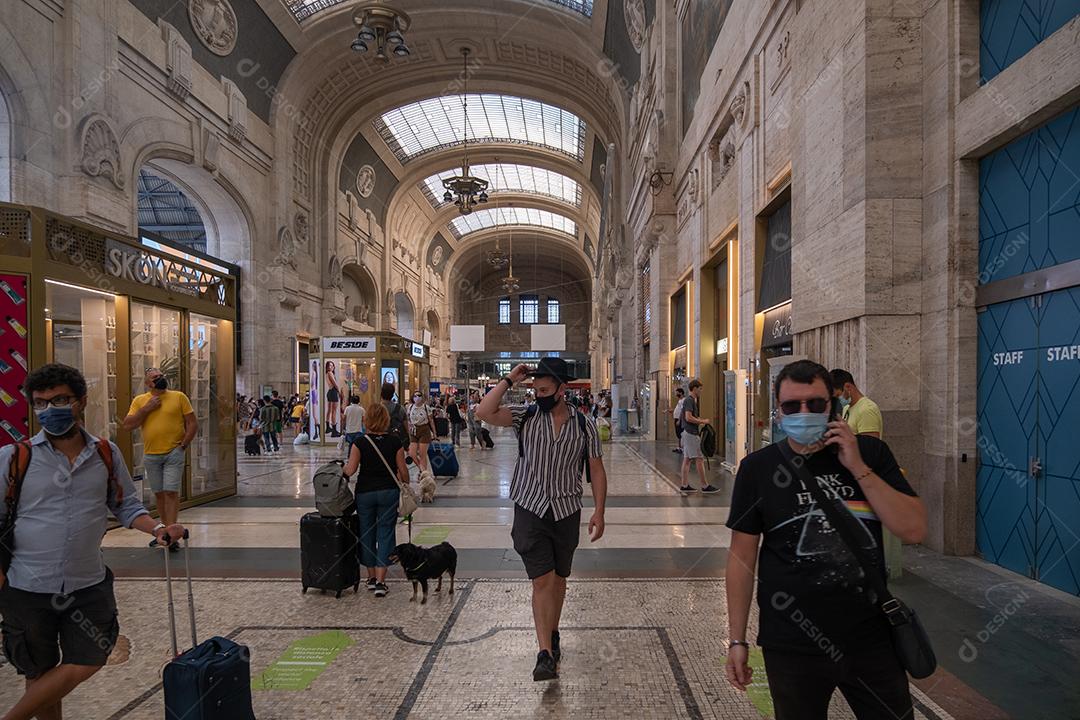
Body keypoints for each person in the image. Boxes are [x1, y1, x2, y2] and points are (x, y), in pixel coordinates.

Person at [724, 360, 927, 720]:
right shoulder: (758, 469)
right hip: (791, 643)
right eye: (792, 406)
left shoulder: (871, 455)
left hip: (870, 638)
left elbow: (913, 529)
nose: (804, 413)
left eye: (815, 404)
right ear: (778, 410)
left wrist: (858, 468)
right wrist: (737, 640)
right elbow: (741, 559)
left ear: (832, 404)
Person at [1, 364, 185, 720]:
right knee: (38, 671)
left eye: (60, 400)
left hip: (87, 582)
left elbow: (125, 504)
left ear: (81, 401)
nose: (49, 410)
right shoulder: (15, 459)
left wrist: (157, 528)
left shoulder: (104, 453)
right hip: (27, 585)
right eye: (40, 403)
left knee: (92, 656)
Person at [477, 358, 608, 682]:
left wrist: (600, 511)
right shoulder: (526, 416)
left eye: (545, 390)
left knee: (560, 579)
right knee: (542, 580)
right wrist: (509, 379)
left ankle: (552, 631)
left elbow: (595, 468)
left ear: (562, 390)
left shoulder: (584, 425)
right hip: (530, 508)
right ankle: (544, 653)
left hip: (565, 511)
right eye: (536, 389)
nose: (539, 395)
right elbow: (483, 412)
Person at [122, 367, 198, 551]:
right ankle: (163, 532)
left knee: (171, 491)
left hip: (174, 451)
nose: (160, 379)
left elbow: (192, 422)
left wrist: (184, 444)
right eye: (155, 377)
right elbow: (127, 425)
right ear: (148, 384)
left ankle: (171, 534)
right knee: (159, 494)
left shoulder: (179, 397)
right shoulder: (140, 401)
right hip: (151, 454)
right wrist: (146, 409)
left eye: (161, 376)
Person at [342, 402, 406, 598]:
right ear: (386, 420)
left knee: (366, 533)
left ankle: (369, 578)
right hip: (389, 492)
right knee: (386, 534)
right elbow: (403, 473)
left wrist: (339, 469)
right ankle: (380, 581)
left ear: (367, 420)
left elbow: (350, 470)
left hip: (365, 493)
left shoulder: (360, 443)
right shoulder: (395, 442)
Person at [679, 379, 719, 494]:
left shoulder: (690, 400)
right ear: (695, 388)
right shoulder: (690, 400)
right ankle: (704, 485)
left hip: (687, 433)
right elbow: (688, 417)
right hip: (691, 433)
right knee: (699, 459)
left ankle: (684, 484)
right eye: (700, 389)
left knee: (687, 459)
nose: (701, 391)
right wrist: (702, 421)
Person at [830, 369, 883, 438]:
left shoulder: (866, 409)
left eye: (838, 395)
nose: (837, 400)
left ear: (848, 387)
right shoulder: (846, 408)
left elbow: (870, 445)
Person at [408, 390, 436, 473]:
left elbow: (431, 421)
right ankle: (422, 470)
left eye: (419, 395)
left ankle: (423, 473)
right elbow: (408, 419)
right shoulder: (410, 407)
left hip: (424, 430)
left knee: (422, 454)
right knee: (412, 453)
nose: (417, 397)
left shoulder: (426, 408)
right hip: (413, 431)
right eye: (415, 396)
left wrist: (434, 433)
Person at [325, 361, 341, 437]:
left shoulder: (327, 374)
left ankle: (328, 427)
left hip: (330, 392)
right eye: (329, 366)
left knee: (329, 410)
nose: (331, 367)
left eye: (332, 365)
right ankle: (334, 431)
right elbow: (334, 383)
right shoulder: (330, 373)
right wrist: (339, 392)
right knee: (333, 411)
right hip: (333, 391)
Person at [672, 386, 686, 453]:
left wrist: (679, 420)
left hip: (679, 419)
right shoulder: (679, 401)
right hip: (676, 418)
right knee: (678, 434)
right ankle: (679, 447)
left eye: (677, 393)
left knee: (680, 433)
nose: (676, 394)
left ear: (681, 393)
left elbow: (682, 411)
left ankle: (682, 448)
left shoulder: (683, 400)